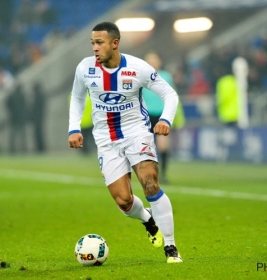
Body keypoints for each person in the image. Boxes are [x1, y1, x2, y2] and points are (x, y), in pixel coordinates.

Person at [68, 22, 182, 263]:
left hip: (136, 133)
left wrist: (165, 120)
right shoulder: (85, 68)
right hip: (106, 140)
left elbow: (169, 94)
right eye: (92, 43)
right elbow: (77, 97)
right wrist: (74, 128)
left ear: (115, 43)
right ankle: (148, 220)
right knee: (124, 201)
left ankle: (171, 247)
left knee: (150, 183)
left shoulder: (138, 68)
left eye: (99, 43)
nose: (95, 48)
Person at [141, 51, 180, 184]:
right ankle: (149, 174)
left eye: (154, 60)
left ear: (159, 62)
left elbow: (172, 96)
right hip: (145, 116)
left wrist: (172, 117)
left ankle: (163, 174)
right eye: (149, 60)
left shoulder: (165, 76)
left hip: (161, 116)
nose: (152, 62)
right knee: (146, 147)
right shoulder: (140, 76)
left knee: (163, 146)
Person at [31, 83, 46, 153]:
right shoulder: (41, 96)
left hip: (38, 118)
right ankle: (40, 147)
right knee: (39, 133)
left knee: (38, 134)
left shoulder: (38, 97)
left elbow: (36, 108)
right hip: (40, 117)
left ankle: (40, 148)